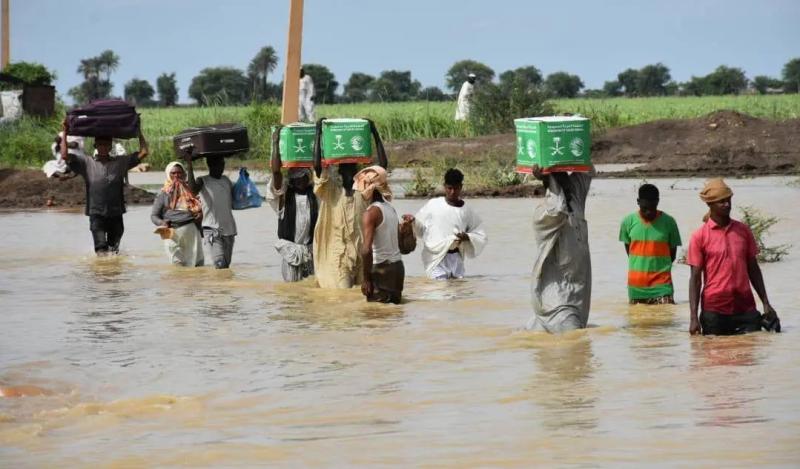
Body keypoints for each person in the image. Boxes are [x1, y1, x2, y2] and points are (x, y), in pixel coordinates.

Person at [687, 178, 780, 335]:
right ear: (710, 204)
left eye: (728, 200)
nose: (727, 204)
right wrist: (693, 318)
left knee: (749, 355)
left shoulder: (743, 231)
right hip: (714, 311)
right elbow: (695, 279)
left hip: (746, 309)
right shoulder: (699, 236)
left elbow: (754, 269)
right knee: (715, 356)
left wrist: (765, 303)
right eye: (721, 202)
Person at [61, 119, 149, 255]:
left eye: (106, 144)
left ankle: (112, 274)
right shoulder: (86, 162)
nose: (103, 147)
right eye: (100, 144)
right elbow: (64, 155)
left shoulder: (120, 162)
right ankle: (102, 275)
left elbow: (144, 152)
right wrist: (65, 131)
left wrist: (139, 132)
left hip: (116, 212)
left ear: (110, 147)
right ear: (96, 145)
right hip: (96, 213)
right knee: (101, 249)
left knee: (114, 251)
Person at [525, 165, 594, 333]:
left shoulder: (575, 203)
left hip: (575, 300)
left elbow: (588, 170)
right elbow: (558, 208)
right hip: (558, 303)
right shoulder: (542, 216)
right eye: (562, 178)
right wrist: (549, 177)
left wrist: (575, 147)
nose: (569, 180)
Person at [409, 168, 487, 280]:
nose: (452, 192)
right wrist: (412, 221)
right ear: (445, 186)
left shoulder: (467, 210)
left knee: (457, 291)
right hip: (435, 257)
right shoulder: (433, 205)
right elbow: (421, 229)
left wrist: (468, 237)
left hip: (456, 257)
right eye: (449, 188)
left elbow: (480, 234)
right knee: (439, 290)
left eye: (456, 188)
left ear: (461, 187)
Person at [619, 183, 682, 304]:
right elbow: (630, 253)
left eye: (652, 208)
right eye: (645, 208)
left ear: (658, 202)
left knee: (665, 320)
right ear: (638, 201)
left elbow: (672, 256)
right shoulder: (628, 222)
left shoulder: (669, 222)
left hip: (662, 287)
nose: (649, 212)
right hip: (636, 288)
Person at [267, 132, 318, 281]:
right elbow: (276, 172)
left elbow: (321, 172)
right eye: (297, 178)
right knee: (293, 293)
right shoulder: (284, 197)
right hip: (291, 254)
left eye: (303, 177)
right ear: (292, 181)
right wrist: (275, 143)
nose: (300, 180)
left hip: (310, 252)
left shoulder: (314, 196)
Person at [357, 166, 406, 304]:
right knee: (392, 318)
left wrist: (366, 279)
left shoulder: (371, 213)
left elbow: (366, 250)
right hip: (397, 270)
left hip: (381, 271)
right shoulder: (390, 208)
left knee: (374, 319)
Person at [186, 153, 237, 269]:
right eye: (218, 164)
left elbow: (236, 199)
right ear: (210, 165)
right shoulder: (202, 181)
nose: (221, 167)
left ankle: (223, 287)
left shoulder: (226, 181)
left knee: (225, 266)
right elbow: (192, 191)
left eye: (222, 164)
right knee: (219, 264)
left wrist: (245, 179)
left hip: (229, 229)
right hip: (212, 229)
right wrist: (189, 164)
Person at [150, 161, 204, 267]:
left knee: (195, 263)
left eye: (179, 173)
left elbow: (199, 207)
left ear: (184, 175)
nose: (176, 176)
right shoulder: (163, 193)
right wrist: (162, 222)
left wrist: (200, 215)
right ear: (168, 175)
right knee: (177, 264)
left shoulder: (190, 191)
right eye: (173, 173)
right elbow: (154, 215)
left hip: (191, 231)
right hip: (171, 232)